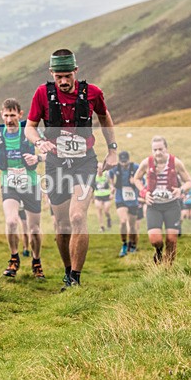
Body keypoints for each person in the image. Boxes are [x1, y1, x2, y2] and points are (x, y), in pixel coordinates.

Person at [25, 49, 118, 289]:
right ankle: (67, 269)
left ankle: (75, 278)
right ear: (52, 74)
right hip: (56, 163)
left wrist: (113, 150)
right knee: (62, 225)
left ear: (76, 71)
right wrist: (39, 142)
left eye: (68, 75)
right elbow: (30, 127)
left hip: (84, 162)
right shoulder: (42, 94)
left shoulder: (93, 93)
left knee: (78, 216)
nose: (64, 81)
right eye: (59, 77)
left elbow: (105, 117)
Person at [0, 98, 44, 279]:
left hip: (31, 184)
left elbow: (43, 149)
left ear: (20, 114)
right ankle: (14, 258)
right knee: (12, 221)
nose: (9, 119)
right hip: (9, 184)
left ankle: (36, 261)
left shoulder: (28, 130)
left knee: (34, 229)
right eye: (6, 115)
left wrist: (38, 159)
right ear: (1, 115)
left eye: (13, 115)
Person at [133, 136, 191, 264]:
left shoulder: (175, 162)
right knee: (156, 240)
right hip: (153, 205)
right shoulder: (146, 163)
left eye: (160, 149)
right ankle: (159, 251)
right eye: (155, 150)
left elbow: (189, 182)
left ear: (166, 148)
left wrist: (180, 190)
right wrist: (144, 192)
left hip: (172, 205)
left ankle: (168, 269)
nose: (158, 152)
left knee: (172, 240)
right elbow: (136, 178)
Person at [109, 151, 140, 257]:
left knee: (132, 225)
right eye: (122, 162)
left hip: (132, 199)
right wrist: (112, 186)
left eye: (125, 162)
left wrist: (135, 181)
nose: (124, 164)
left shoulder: (135, 167)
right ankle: (124, 244)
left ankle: (133, 245)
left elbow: (142, 180)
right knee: (123, 221)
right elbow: (110, 176)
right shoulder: (115, 168)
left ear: (128, 159)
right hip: (120, 197)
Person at [93, 166, 113, 232]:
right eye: (98, 168)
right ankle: (102, 226)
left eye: (101, 168)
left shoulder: (106, 175)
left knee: (106, 210)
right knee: (99, 209)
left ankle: (108, 218)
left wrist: (112, 193)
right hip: (97, 195)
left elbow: (111, 184)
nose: (99, 170)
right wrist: (91, 197)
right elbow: (91, 186)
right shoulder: (94, 176)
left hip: (106, 195)